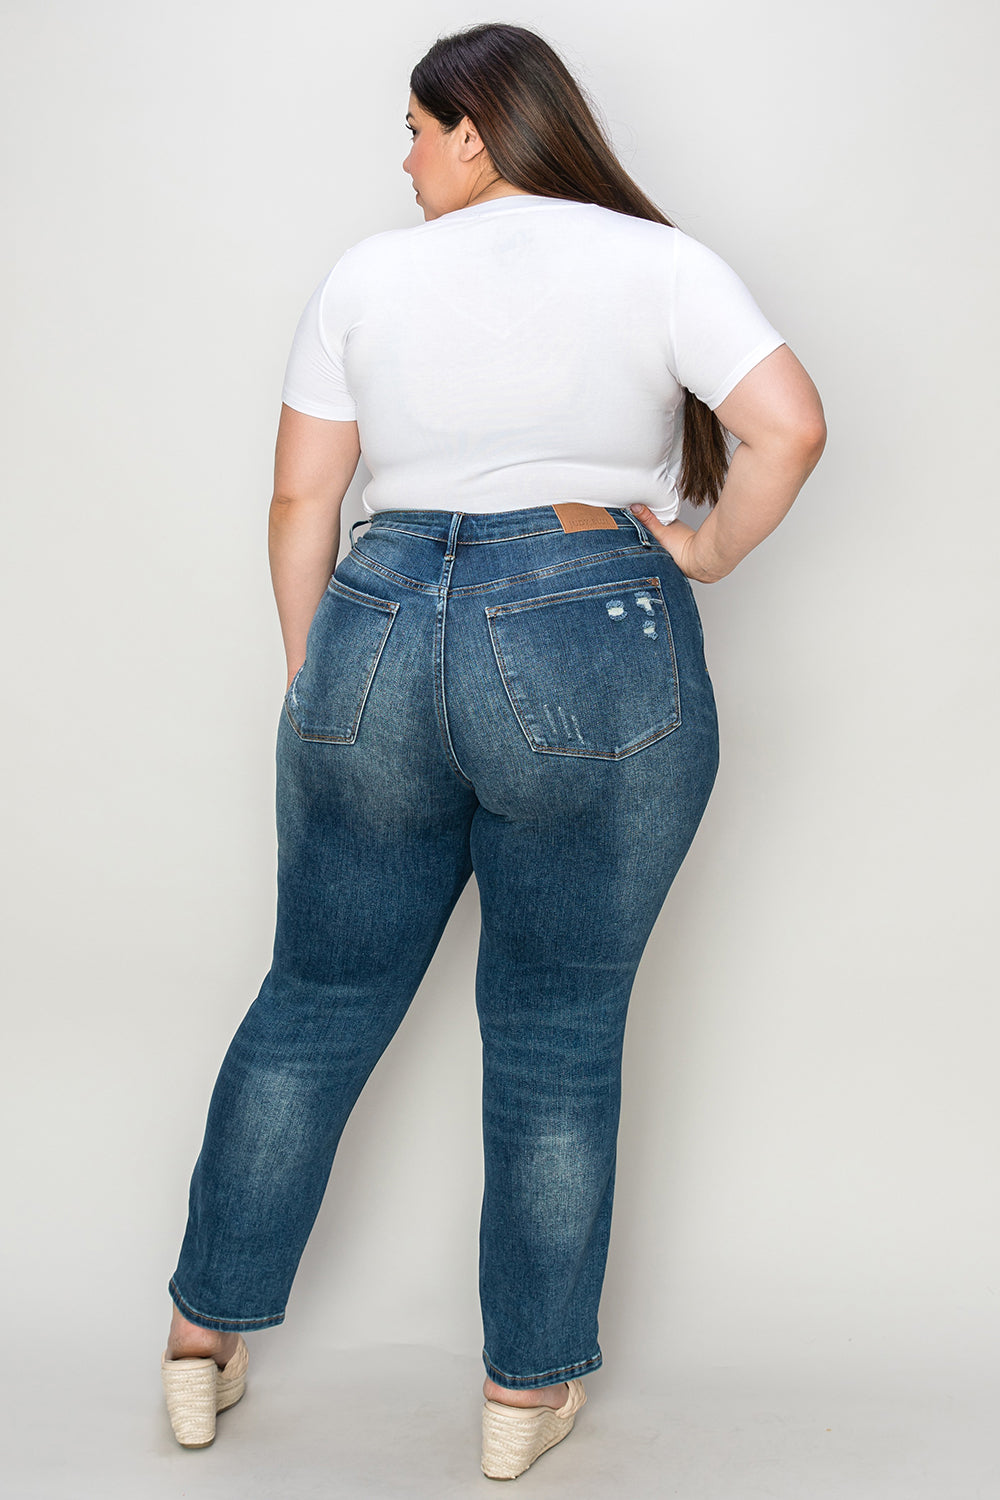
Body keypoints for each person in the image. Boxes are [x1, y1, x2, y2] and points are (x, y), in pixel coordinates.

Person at [159, 21, 826, 1481]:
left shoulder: (364, 279)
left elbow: (297, 505)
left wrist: (315, 684)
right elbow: (787, 426)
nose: (400, 160)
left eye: (413, 127)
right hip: (592, 626)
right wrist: (704, 550)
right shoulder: (659, 263)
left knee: (315, 998)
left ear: (478, 126)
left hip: (377, 627)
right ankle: (523, 1396)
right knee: (558, 1032)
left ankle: (201, 1344)